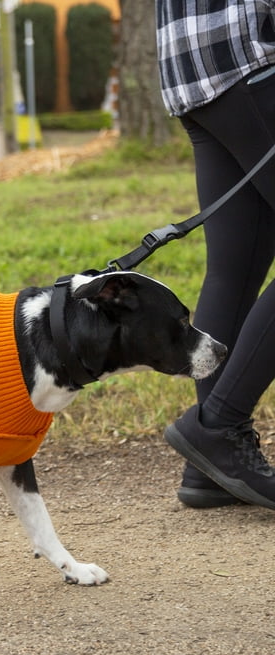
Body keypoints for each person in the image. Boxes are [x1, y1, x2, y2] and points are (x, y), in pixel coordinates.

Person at [155, 1, 275, 510]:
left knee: (235, 266)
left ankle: (210, 470)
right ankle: (219, 426)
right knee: (233, 268)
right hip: (254, 52)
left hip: (194, 64)